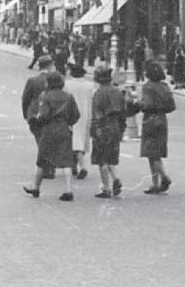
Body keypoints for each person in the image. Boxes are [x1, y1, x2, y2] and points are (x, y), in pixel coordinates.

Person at [23, 72, 81, 201]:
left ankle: (36, 187)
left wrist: (36, 121)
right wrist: (68, 123)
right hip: (64, 129)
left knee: (43, 159)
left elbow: (43, 115)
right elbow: (76, 115)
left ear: (48, 83)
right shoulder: (69, 97)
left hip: (49, 130)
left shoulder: (45, 96)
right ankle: (68, 190)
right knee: (66, 160)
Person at [127, 62, 175, 194]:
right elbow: (172, 106)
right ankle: (156, 184)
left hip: (150, 120)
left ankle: (163, 177)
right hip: (162, 119)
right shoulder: (165, 86)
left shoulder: (147, 87)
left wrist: (136, 103)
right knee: (157, 152)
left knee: (151, 153)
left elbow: (146, 104)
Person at [89, 66, 125, 198]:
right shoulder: (117, 92)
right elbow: (123, 112)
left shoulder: (98, 94)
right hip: (115, 125)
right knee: (110, 156)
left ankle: (105, 187)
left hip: (102, 126)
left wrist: (93, 130)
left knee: (101, 159)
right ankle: (115, 178)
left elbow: (96, 114)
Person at [22, 56, 56, 179]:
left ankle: (46, 168)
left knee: (40, 141)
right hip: (52, 114)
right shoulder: (57, 79)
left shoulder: (32, 80)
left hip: (36, 114)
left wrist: (26, 114)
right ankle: (50, 167)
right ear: (50, 65)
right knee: (51, 141)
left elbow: (25, 99)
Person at [64, 63, 93, 180]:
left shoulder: (67, 84)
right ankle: (75, 165)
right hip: (86, 115)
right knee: (83, 140)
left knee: (74, 141)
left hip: (72, 115)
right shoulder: (90, 85)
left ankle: (82, 167)